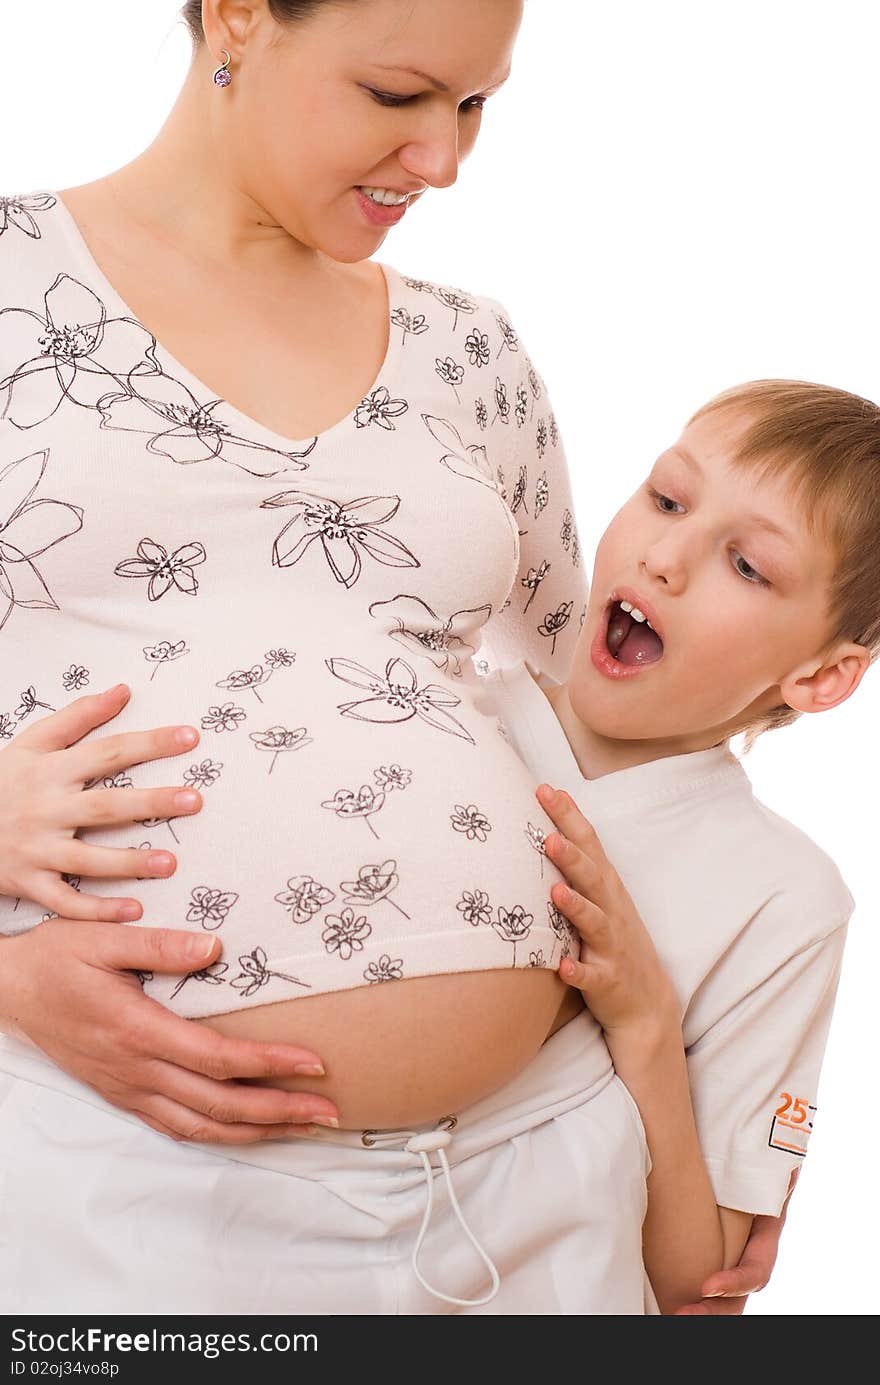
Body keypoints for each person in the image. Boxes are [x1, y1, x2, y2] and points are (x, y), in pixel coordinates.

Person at [0, 0, 783, 1314]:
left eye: (476, 104)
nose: (444, 161)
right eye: (398, 95)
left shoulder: (470, 351)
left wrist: (691, 1052)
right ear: (240, 13)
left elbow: (592, 719)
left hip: (537, 1181)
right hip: (132, 1178)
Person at [480, 379, 875, 1310]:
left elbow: (701, 1289)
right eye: (667, 498)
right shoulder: (440, 699)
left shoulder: (787, 902)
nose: (665, 558)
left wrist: (647, 1020)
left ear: (819, 676)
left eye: (748, 566)